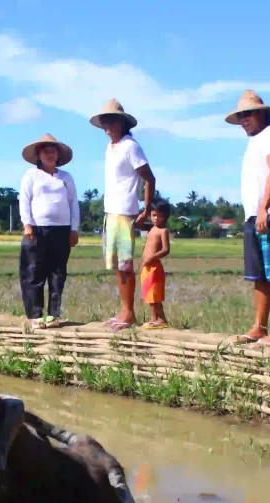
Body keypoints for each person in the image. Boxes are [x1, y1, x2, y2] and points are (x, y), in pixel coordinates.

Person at [227, 90, 270, 348]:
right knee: (258, 276)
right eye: (241, 116)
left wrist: (265, 207)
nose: (244, 120)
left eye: (248, 114)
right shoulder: (254, 141)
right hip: (255, 215)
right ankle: (260, 326)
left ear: (262, 113)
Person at [91, 99, 155, 331]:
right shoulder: (111, 148)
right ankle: (125, 309)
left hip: (125, 212)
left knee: (125, 264)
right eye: (105, 120)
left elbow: (149, 178)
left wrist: (145, 208)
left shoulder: (130, 146)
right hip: (111, 212)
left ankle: (129, 313)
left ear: (122, 122)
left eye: (113, 120)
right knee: (118, 265)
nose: (108, 124)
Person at [18, 133, 80, 329]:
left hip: (61, 230)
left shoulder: (66, 178)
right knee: (34, 272)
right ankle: (35, 315)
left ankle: (54, 315)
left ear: (58, 154)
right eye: (46, 151)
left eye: (53, 151)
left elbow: (74, 204)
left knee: (57, 273)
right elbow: (24, 201)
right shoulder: (31, 176)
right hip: (37, 229)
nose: (50, 154)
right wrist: (27, 224)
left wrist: (74, 229)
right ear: (39, 155)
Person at [139, 199, 171, 330]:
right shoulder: (151, 229)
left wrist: (152, 257)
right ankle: (155, 319)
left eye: (160, 215)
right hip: (146, 266)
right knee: (148, 294)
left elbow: (166, 249)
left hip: (154, 266)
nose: (157, 218)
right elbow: (137, 223)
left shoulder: (163, 231)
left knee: (154, 294)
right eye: (154, 215)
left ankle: (158, 320)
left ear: (165, 216)